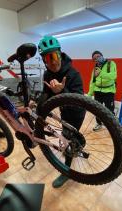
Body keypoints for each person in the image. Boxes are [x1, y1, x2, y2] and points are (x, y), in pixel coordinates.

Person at [37, 36, 85, 188]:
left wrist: (62, 91)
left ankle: (66, 172)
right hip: (63, 110)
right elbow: (46, 93)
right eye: (47, 58)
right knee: (67, 134)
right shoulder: (47, 74)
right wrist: (37, 105)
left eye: (54, 56)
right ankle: (77, 141)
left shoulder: (73, 74)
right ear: (43, 60)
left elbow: (79, 102)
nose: (52, 62)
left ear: (60, 54)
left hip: (77, 111)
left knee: (68, 140)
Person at [87, 50, 117, 131]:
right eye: (94, 58)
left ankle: (113, 126)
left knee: (109, 110)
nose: (97, 59)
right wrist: (89, 94)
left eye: (98, 56)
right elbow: (92, 82)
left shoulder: (111, 63)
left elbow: (113, 76)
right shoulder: (95, 68)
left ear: (102, 55)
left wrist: (101, 74)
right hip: (97, 92)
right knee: (97, 110)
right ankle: (99, 123)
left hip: (109, 91)